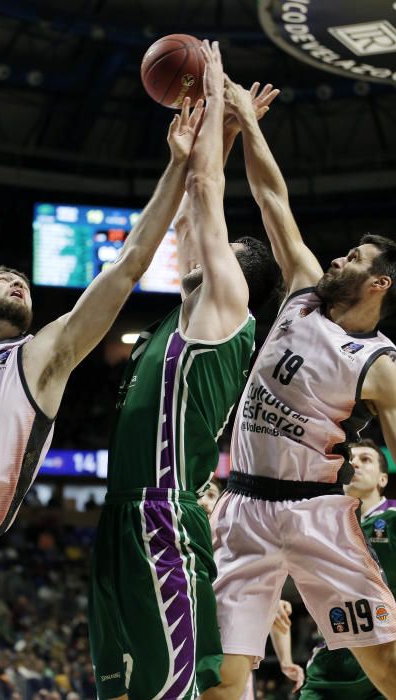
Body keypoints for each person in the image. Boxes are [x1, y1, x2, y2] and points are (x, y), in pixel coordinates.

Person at [0, 96, 205, 699]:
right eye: (3, 278)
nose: (18, 281)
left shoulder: (42, 358)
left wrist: (177, 166)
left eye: (22, 281)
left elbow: (128, 266)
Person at [88, 41, 279, 700]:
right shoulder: (192, 309)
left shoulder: (228, 309)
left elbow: (204, 195)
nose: (199, 244)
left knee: (170, 691)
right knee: (121, 688)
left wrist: (211, 89)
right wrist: (220, 132)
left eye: (221, 247)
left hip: (162, 514)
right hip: (124, 514)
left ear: (237, 268)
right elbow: (196, 216)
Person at [210, 77, 396, 700]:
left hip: (315, 515)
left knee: (387, 669)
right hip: (241, 509)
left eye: (356, 258)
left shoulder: (377, 361)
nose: (340, 259)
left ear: (381, 285)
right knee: (221, 676)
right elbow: (271, 196)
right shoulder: (304, 291)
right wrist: (246, 122)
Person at [300, 439, 396, 699]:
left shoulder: (393, 518)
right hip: (334, 652)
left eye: (366, 459)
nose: (355, 463)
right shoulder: (321, 526)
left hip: (386, 647)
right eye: (351, 459)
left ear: (383, 480)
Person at [199, 479, 304, 699]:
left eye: (212, 495)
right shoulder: (177, 547)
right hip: (188, 652)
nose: (205, 502)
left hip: (230, 658)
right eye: (200, 494)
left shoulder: (237, 550)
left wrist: (286, 662)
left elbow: (276, 611)